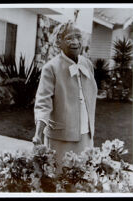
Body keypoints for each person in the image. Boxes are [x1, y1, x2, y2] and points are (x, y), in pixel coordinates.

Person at [32, 21, 98, 169]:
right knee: (60, 181)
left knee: (84, 182)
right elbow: (43, 102)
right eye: (69, 38)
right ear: (59, 41)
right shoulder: (51, 68)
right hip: (60, 140)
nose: (75, 42)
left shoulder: (87, 65)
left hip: (86, 136)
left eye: (78, 37)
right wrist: (38, 133)